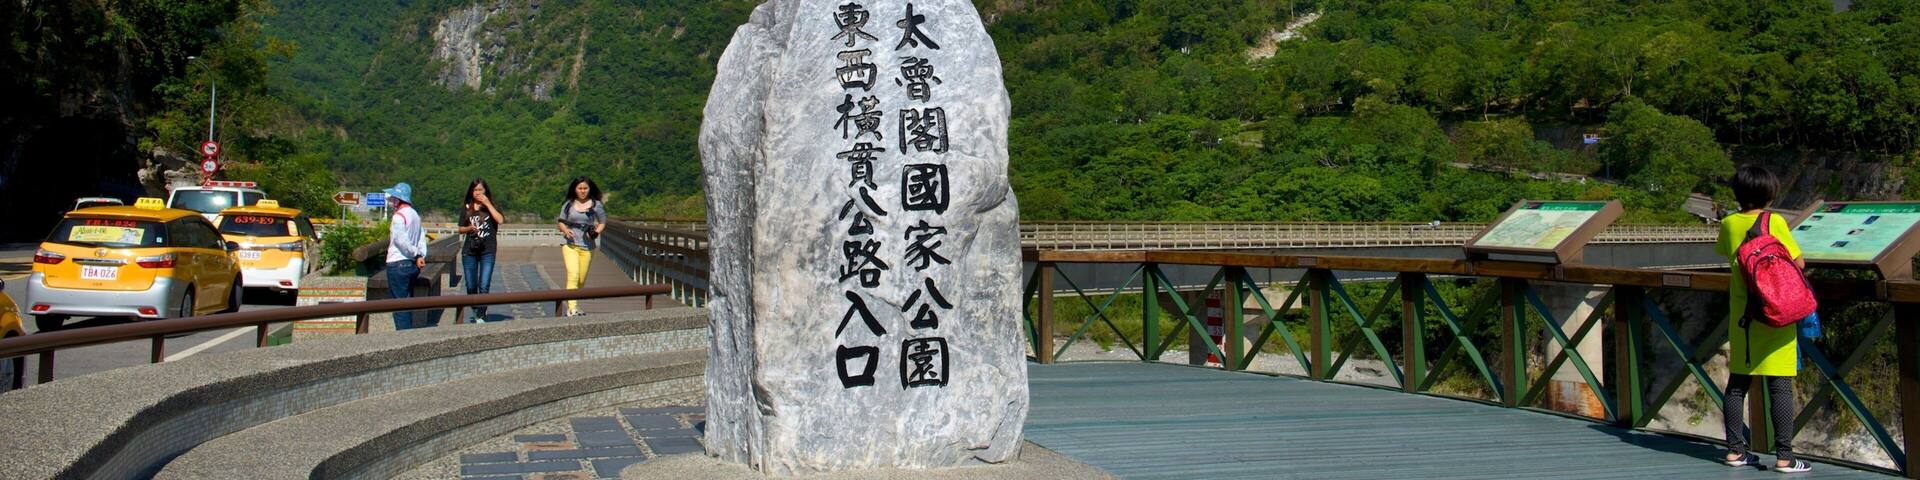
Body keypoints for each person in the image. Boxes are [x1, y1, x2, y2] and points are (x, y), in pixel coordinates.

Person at [1716, 165, 1811, 473]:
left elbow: (1725, 253)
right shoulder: (1775, 221)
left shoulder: (1729, 223)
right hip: (1775, 313)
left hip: (1743, 315)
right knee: (1780, 385)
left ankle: (1735, 451)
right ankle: (1785, 456)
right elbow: (1798, 261)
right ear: (1770, 193)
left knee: (1737, 384)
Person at [554, 176, 606, 317]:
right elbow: (560, 222)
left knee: (581, 279)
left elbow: (602, 222)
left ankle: (575, 304)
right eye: (580, 188)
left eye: (585, 188)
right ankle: (572, 309)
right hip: (570, 245)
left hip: (587, 247)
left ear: (589, 189)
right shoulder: (568, 204)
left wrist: (595, 232)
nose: (582, 191)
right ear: (575, 189)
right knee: (573, 275)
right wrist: (565, 230)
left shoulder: (596, 205)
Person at [384, 182, 428, 330]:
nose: (391, 201)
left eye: (393, 198)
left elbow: (401, 241)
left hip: (397, 264)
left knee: (399, 305)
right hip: (412, 265)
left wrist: (414, 253)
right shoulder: (415, 215)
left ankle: (404, 339)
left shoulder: (398, 217)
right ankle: (407, 334)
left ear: (398, 199)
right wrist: (420, 255)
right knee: (406, 302)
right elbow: (422, 237)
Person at [458, 178, 503, 323]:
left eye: (480, 190)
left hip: (488, 250)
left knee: (484, 284)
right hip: (469, 250)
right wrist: (470, 228)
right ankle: (476, 309)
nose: (477, 193)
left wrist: (487, 203)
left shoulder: (492, 206)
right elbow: (460, 229)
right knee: (471, 285)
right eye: (475, 190)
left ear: (485, 191)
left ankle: (481, 315)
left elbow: (500, 220)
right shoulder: (466, 207)